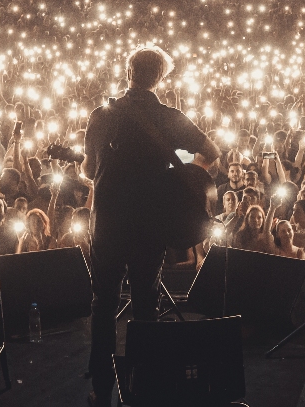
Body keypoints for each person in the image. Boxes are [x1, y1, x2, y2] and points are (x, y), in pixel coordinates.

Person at [81, 45, 220, 407]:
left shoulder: (103, 114)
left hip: (109, 222)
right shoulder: (170, 117)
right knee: (146, 302)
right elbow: (212, 152)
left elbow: (87, 170)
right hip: (150, 223)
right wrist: (182, 173)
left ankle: (101, 386)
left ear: (129, 71)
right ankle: (146, 385)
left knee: (104, 302)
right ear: (160, 77)